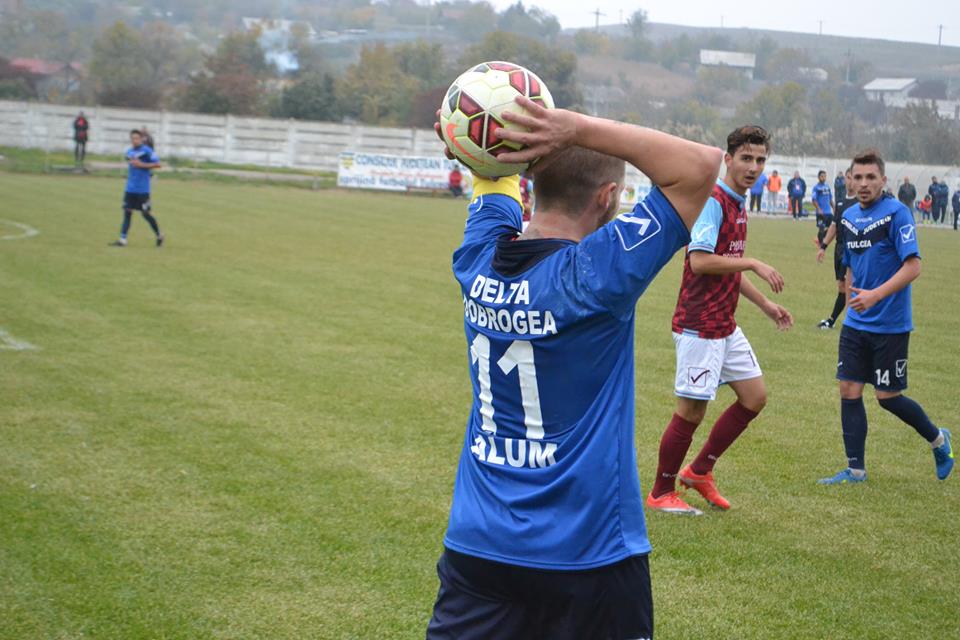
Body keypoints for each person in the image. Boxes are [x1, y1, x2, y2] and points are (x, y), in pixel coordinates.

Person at [425, 96, 723, 640]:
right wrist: (577, 127)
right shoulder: (598, 273)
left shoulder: (477, 259)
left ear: (532, 184)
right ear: (609, 198)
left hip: (479, 543)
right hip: (588, 553)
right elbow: (700, 165)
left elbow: (492, 188)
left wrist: (485, 150)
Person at [645, 125, 793, 516]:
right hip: (699, 324)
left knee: (754, 397)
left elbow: (726, 265)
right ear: (728, 159)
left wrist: (765, 304)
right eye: (746, 158)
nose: (754, 167)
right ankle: (661, 492)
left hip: (723, 323)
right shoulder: (714, 200)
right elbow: (700, 260)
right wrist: (754, 262)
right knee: (691, 410)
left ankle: (699, 472)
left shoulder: (739, 201)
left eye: (760, 159)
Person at [818, 148, 953, 486]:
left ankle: (939, 440)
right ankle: (855, 471)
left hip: (890, 324)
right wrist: (850, 296)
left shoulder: (897, 214)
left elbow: (914, 266)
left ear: (883, 180)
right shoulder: (848, 217)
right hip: (855, 324)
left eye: (871, 177)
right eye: (858, 177)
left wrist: (876, 295)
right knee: (849, 389)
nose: (864, 184)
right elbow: (849, 261)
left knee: (886, 398)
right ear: (850, 180)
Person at [815, 166, 859, 329]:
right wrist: (823, 246)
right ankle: (833, 320)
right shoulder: (840, 202)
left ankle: (848, 322)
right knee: (842, 286)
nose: (851, 181)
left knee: (850, 286)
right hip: (839, 249)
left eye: (854, 177)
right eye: (848, 177)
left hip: (853, 249)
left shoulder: (860, 202)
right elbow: (834, 226)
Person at [110, 129, 164, 247]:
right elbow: (132, 164)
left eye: (136, 138)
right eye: (132, 138)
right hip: (130, 188)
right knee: (127, 212)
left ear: (141, 139)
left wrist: (142, 165)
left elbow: (158, 164)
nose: (134, 140)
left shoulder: (147, 151)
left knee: (145, 214)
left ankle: (159, 235)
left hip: (143, 190)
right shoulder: (129, 152)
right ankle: (122, 240)